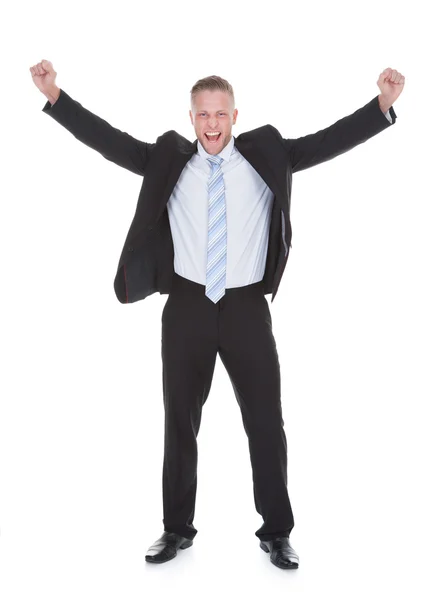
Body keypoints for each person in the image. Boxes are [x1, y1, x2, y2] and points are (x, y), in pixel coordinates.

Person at [30, 59, 405, 570]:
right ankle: (175, 529)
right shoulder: (169, 160)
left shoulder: (265, 154)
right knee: (180, 421)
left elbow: (327, 141)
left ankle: (276, 532)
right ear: (191, 117)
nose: (212, 124)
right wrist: (56, 96)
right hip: (186, 306)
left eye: (220, 114)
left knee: (266, 421)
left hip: (246, 307)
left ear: (235, 116)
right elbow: (108, 140)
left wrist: (381, 106)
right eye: (203, 114)